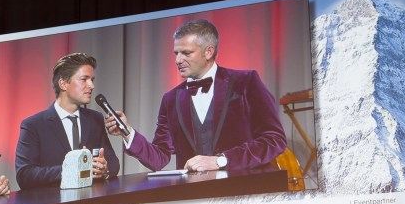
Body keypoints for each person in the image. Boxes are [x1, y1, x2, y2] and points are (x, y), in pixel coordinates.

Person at [105, 19, 287, 173]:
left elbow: (274, 139)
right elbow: (158, 158)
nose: (178, 60)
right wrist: (127, 132)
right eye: (176, 53)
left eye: (186, 53)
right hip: (195, 197)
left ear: (208, 51)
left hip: (246, 191)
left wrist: (221, 161)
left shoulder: (246, 82)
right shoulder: (171, 99)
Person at [15, 53, 120, 189]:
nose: (91, 85)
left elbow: (113, 163)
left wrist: (105, 169)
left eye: (92, 80)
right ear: (63, 84)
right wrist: (71, 169)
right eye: (84, 79)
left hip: (92, 199)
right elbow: (24, 175)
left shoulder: (95, 119)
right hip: (53, 201)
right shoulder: (33, 125)